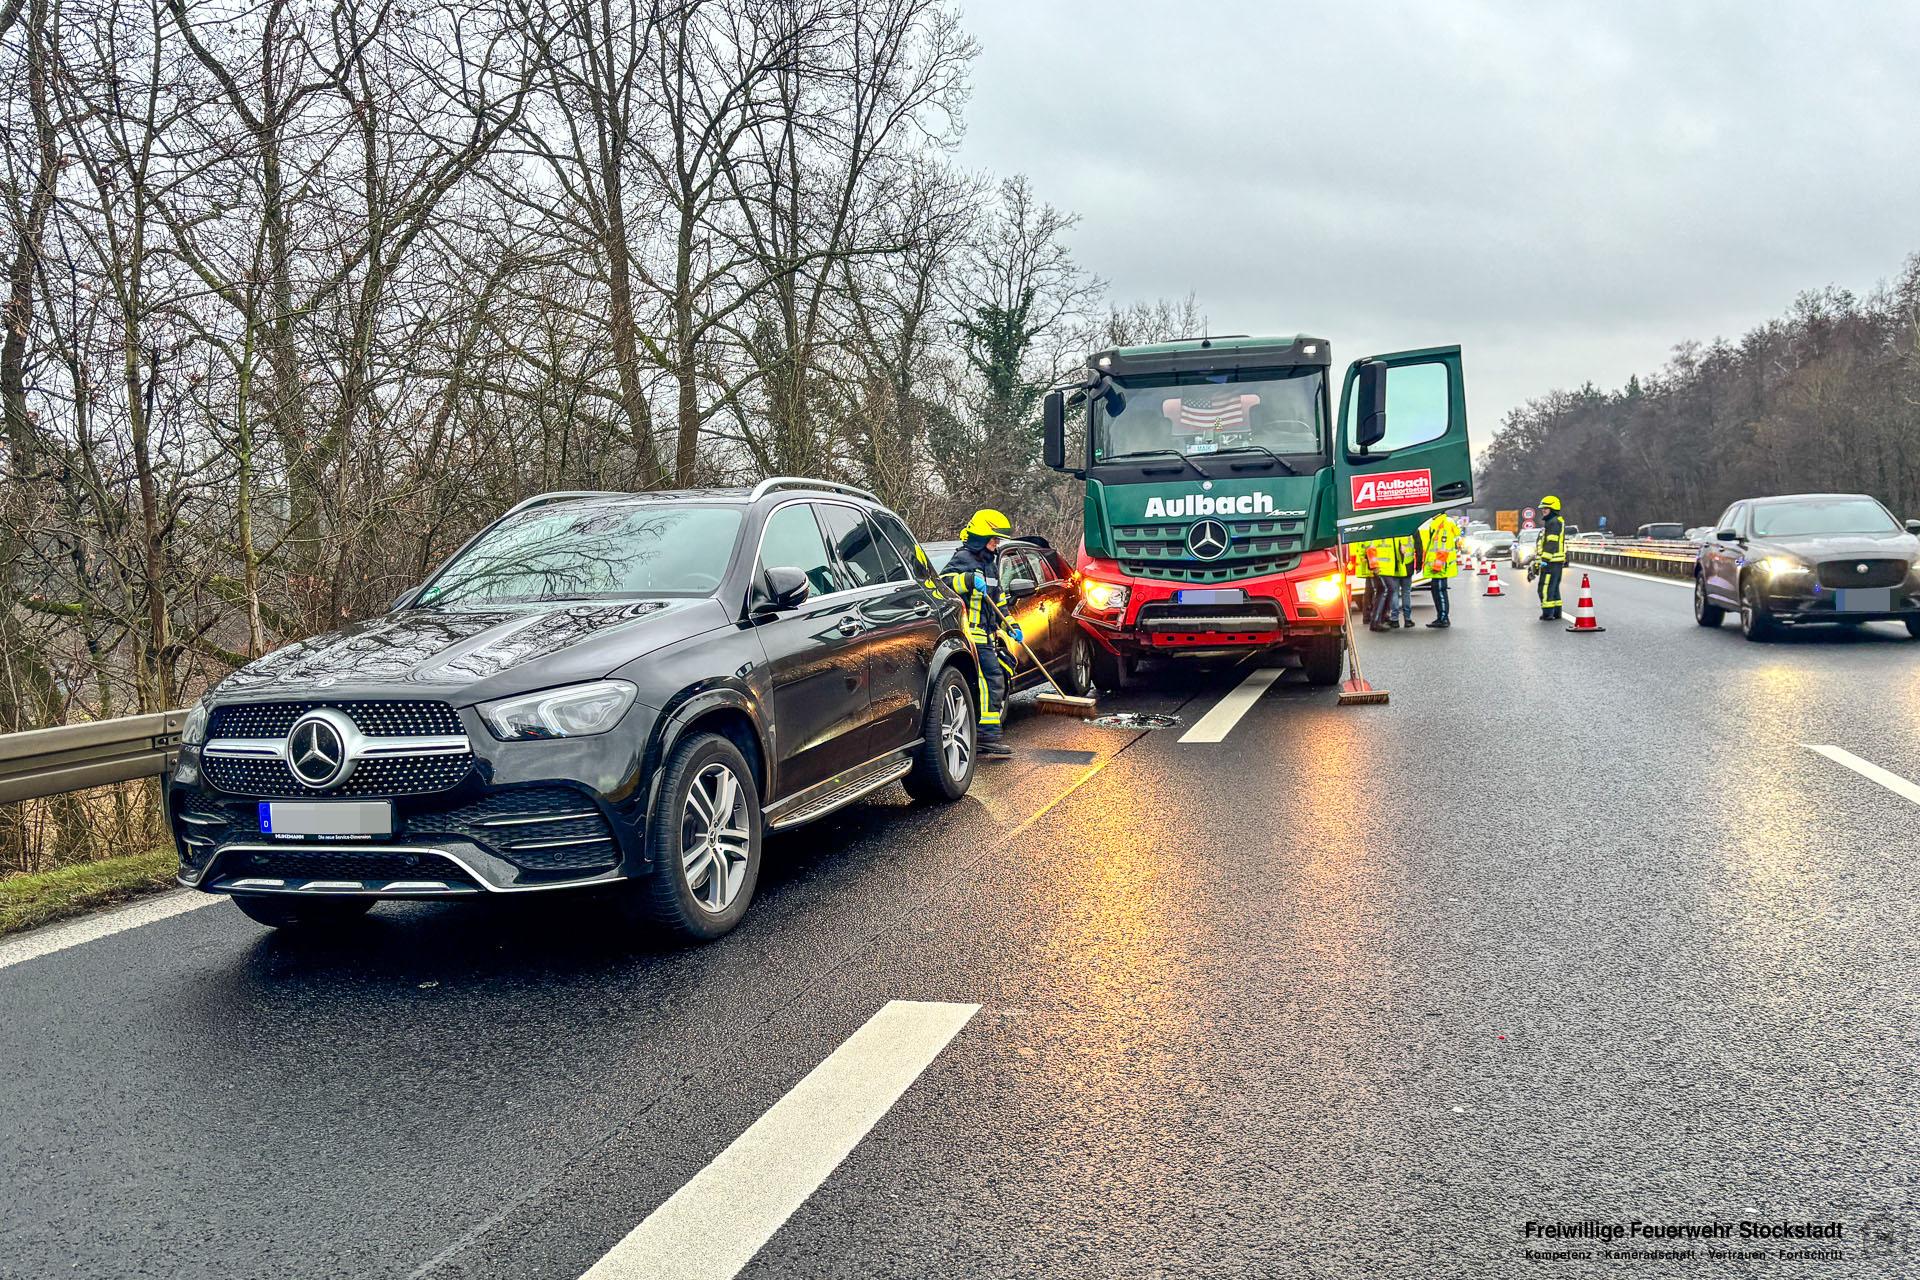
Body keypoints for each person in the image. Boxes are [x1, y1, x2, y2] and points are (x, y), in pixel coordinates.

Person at [940, 509, 1022, 760]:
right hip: (971, 634)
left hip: (987, 634)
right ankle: (987, 735)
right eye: (993, 538)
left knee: (996, 678)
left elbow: (999, 602)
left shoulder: (990, 565)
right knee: (989, 680)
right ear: (981, 536)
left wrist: (1012, 626)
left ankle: (988, 733)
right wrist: (966, 580)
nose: (996, 543)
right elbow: (943, 583)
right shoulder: (963, 558)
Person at [1421, 511, 1462, 628]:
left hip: (1440, 567)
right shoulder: (1439, 523)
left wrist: (1437, 566)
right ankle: (1441, 617)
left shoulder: (1443, 524)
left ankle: (1443, 618)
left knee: (1439, 592)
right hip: (1439, 566)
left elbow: (1443, 547)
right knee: (1437, 592)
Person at [1533, 495, 1568, 620]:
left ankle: (1547, 613)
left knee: (1545, 588)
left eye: (1546, 508)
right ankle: (1557, 612)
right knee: (1554, 588)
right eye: (1542, 508)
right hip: (1555, 562)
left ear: (1553, 509)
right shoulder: (1555, 521)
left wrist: (1544, 561)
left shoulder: (1553, 522)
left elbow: (1551, 543)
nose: (1543, 510)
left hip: (1551, 562)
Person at [1387, 532, 1420, 628]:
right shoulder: (1413, 528)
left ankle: (1394, 620)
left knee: (1394, 593)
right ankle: (1407, 619)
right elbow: (1418, 546)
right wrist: (1418, 565)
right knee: (1406, 592)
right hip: (1408, 566)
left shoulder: (1392, 528)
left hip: (1395, 567)